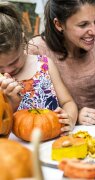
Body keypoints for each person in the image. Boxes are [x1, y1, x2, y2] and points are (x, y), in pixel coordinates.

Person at [27, 0, 95, 125]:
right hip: (65, 134)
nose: (94, 31)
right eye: (83, 25)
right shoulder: (37, 49)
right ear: (59, 24)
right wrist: (74, 116)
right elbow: (32, 111)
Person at [0, 2, 78, 135]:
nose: (7, 70)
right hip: (17, 148)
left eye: (14, 61)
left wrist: (69, 118)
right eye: (0, 67)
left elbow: (68, 102)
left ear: (23, 41)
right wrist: (9, 103)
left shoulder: (44, 65)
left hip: (53, 140)